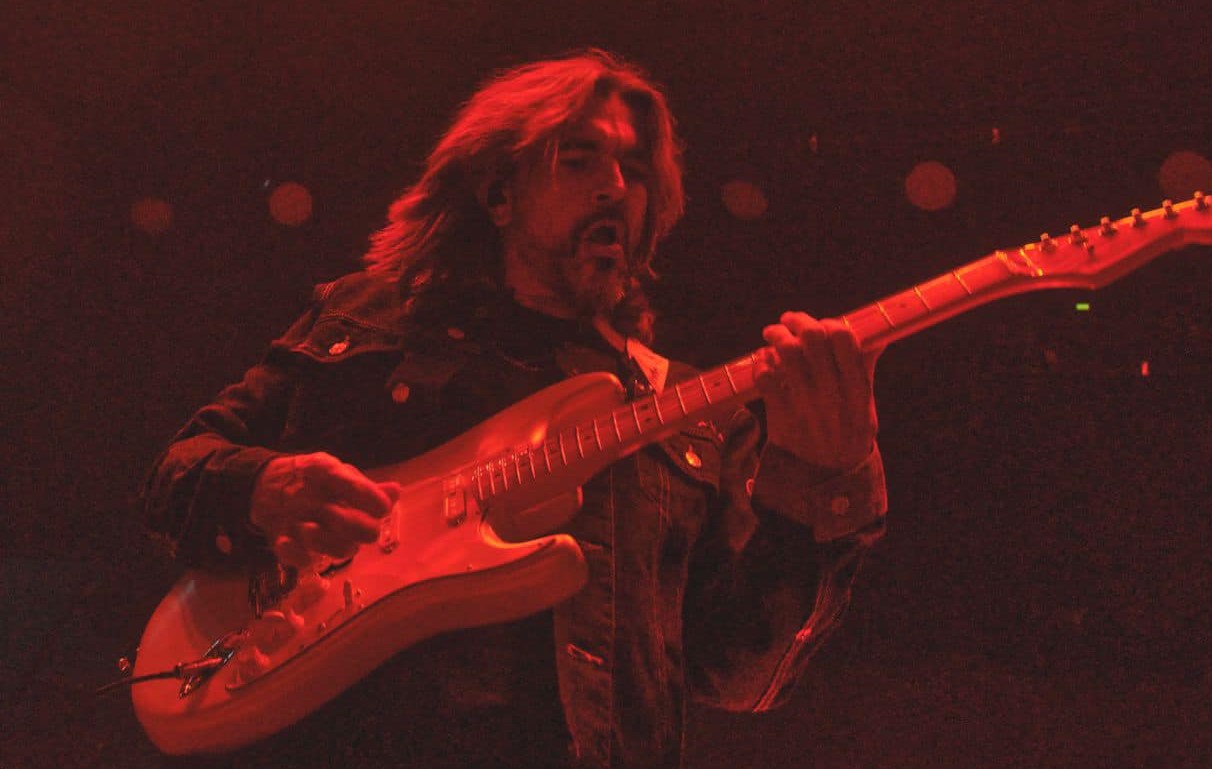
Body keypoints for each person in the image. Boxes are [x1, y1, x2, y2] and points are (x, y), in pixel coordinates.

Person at [141, 49, 888, 769]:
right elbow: (175, 473)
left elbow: (740, 676)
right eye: (580, 159)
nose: (615, 187)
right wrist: (263, 488)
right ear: (499, 194)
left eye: (635, 171)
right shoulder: (367, 322)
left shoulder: (689, 414)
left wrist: (819, 488)